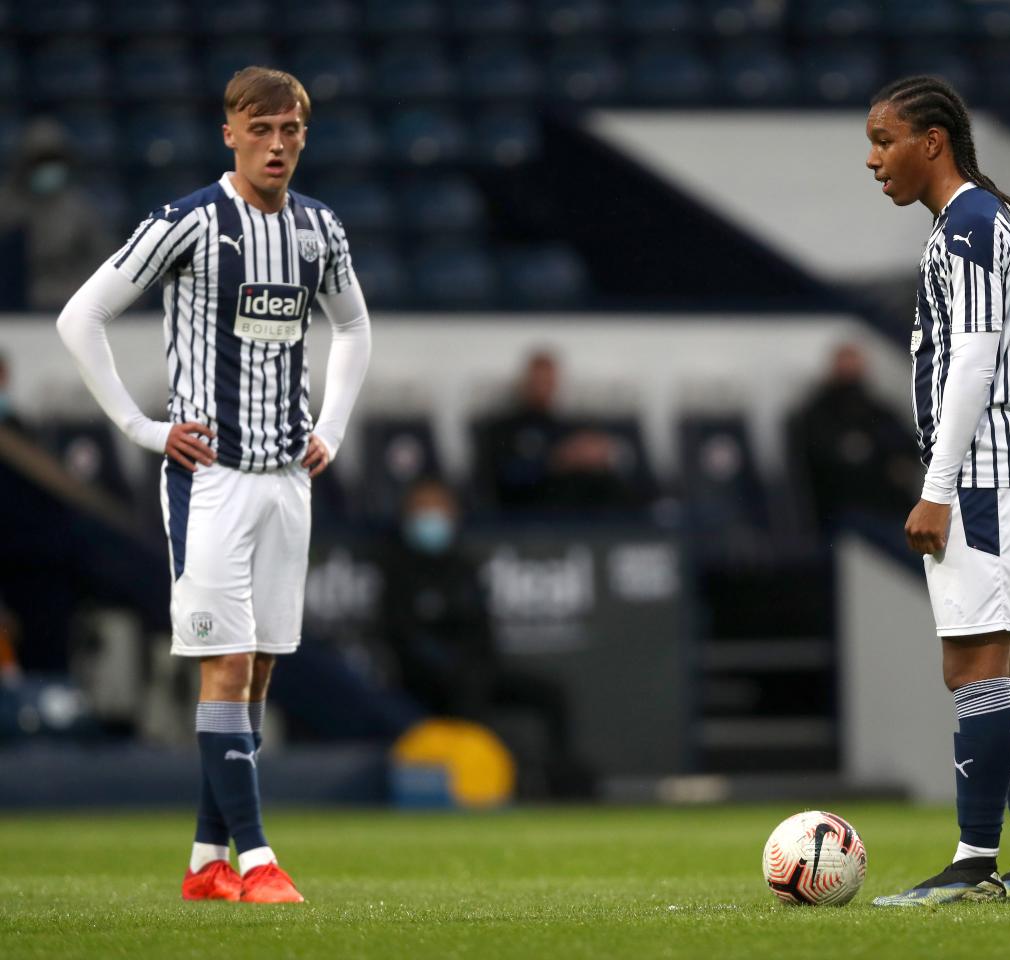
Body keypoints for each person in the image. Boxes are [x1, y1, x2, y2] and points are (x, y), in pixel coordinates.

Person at [55, 67, 372, 903]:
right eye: (260, 129)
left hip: (287, 479)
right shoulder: (190, 222)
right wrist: (142, 427)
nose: (277, 145)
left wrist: (333, 428)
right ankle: (259, 861)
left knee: (258, 670)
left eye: (290, 129)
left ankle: (206, 862)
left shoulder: (318, 229)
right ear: (229, 133)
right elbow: (80, 316)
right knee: (225, 664)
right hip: (213, 482)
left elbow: (353, 326)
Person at [863, 76, 1010, 906]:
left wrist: (937, 488)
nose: (874, 160)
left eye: (884, 141)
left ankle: (974, 860)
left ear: (933, 141)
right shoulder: (987, 218)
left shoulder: (972, 225)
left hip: (984, 469)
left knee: (973, 665)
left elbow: (975, 363)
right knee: (1008, 666)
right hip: (1004, 466)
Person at [380, 478, 591, 797]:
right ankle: (491, 782)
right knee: (466, 693)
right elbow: (402, 637)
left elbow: (482, 631)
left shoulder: (463, 569)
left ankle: (559, 782)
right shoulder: (397, 572)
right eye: (423, 509)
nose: (431, 518)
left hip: (476, 672)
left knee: (549, 694)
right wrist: (448, 668)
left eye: (438, 508)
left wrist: (476, 667)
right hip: (426, 682)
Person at [471, 350, 651, 515]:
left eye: (548, 381)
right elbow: (504, 477)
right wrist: (558, 459)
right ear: (525, 382)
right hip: (530, 509)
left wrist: (600, 454)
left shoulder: (568, 426)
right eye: (537, 381)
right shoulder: (503, 429)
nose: (542, 387)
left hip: (577, 510)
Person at [790, 341, 920, 529]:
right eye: (845, 365)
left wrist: (900, 464)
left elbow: (905, 445)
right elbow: (820, 454)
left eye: (853, 365)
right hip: (841, 507)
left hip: (887, 504)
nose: (849, 370)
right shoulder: (818, 414)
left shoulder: (877, 410)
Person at [0, 118, 114, 310]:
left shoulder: (78, 207)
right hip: (11, 305)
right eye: (41, 161)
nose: (48, 168)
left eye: (54, 160)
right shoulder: (5, 205)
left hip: (67, 298)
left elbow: (103, 258)